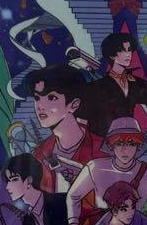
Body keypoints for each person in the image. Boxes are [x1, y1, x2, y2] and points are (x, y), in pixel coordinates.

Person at [66, 116, 147, 225]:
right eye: (119, 143)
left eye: (131, 144)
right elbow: (73, 195)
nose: (125, 150)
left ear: (138, 146)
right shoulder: (95, 167)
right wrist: (73, 223)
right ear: (111, 145)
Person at [23, 64, 104, 192]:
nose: (40, 106)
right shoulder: (39, 154)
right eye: (37, 98)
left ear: (74, 104)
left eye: (51, 98)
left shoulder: (102, 149)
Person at [82, 32, 147, 136]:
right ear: (112, 55)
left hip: (128, 138)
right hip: (104, 140)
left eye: (129, 49)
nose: (128, 54)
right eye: (123, 50)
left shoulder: (133, 83)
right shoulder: (98, 86)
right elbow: (83, 118)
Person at [2, 153, 69, 225]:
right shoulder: (27, 222)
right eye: (8, 181)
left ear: (29, 180)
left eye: (14, 180)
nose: (8, 187)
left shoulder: (61, 202)